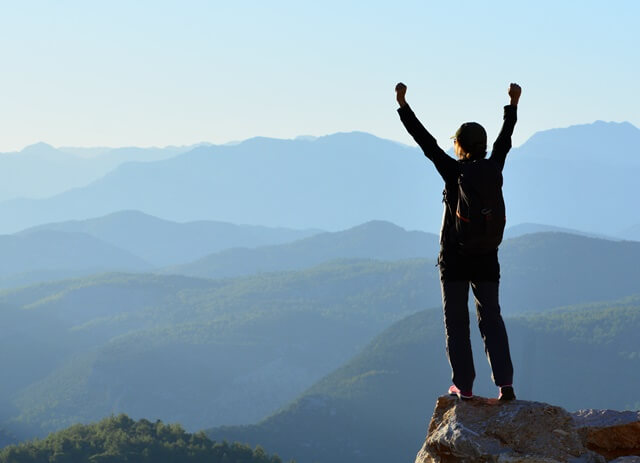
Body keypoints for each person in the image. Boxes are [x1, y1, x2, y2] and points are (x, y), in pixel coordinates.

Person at [395, 82, 521, 401]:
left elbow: (425, 142)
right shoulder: (495, 167)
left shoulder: (453, 171)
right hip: (487, 256)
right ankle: (505, 385)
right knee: (491, 318)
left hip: (454, 257)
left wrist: (403, 105)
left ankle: (464, 386)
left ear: (460, 146)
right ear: (483, 146)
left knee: (457, 321)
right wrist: (512, 105)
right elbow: (505, 138)